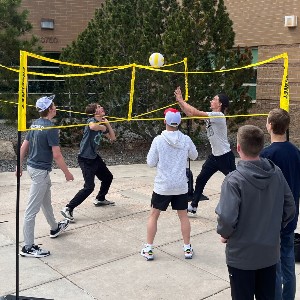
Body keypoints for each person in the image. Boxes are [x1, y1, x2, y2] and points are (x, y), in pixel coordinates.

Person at [215, 125, 295, 300]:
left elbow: (227, 218)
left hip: (241, 257)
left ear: (238, 148)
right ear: (262, 146)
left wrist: (224, 233)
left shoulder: (233, 180)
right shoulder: (277, 174)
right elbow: (290, 208)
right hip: (269, 254)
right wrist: (274, 227)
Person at [17, 95, 74, 258]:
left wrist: (19, 165)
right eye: (54, 105)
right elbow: (57, 155)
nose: (56, 107)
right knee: (31, 211)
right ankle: (27, 247)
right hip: (40, 171)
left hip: (34, 169)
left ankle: (55, 227)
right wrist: (67, 173)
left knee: (45, 202)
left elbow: (24, 146)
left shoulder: (35, 124)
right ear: (50, 109)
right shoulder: (50, 128)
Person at [141, 108, 198, 260]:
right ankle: (187, 248)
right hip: (180, 185)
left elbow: (151, 162)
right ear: (179, 122)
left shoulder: (158, 140)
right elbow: (194, 155)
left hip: (163, 185)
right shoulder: (185, 139)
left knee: (154, 215)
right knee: (183, 216)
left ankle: (149, 248)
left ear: (165, 121)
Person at [174, 86, 236, 216]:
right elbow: (190, 114)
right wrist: (180, 102)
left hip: (225, 156)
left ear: (220, 104)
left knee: (236, 182)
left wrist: (181, 100)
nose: (211, 101)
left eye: (214, 99)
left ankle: (246, 205)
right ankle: (194, 206)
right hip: (214, 157)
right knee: (201, 179)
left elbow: (194, 112)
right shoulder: (211, 116)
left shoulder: (218, 115)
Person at [260, 108, 300, 300]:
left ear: (270, 125)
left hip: (272, 218)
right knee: (288, 260)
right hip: (291, 216)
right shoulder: (295, 152)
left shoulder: (267, 155)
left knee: (274, 265)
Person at [61, 102, 116, 222]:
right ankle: (68, 208)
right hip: (85, 159)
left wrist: (107, 124)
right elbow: (92, 127)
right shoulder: (91, 120)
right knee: (89, 187)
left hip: (94, 157)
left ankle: (100, 199)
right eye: (99, 107)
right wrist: (102, 127)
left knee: (108, 177)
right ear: (95, 112)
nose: (102, 108)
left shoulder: (101, 122)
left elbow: (113, 138)